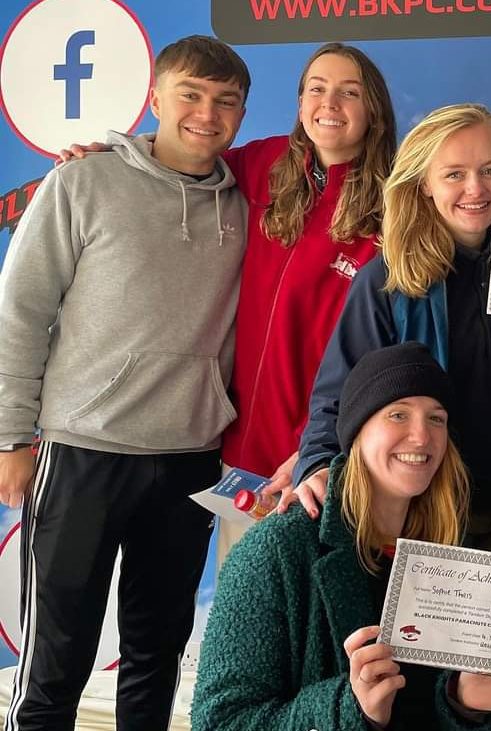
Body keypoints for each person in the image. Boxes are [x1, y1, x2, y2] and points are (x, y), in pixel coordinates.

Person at [292, 103, 491, 730]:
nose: (477, 189)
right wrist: (313, 461)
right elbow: (340, 391)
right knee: (424, 692)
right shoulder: (387, 279)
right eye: (455, 174)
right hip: (416, 515)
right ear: (422, 183)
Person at [57, 43, 397, 566]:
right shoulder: (262, 164)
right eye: (316, 89)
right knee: (248, 622)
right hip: (242, 462)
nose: (330, 103)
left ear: (372, 107)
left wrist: (326, 448)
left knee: (327, 628)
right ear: (300, 101)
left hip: (332, 461)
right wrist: (115, 158)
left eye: (349, 92)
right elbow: (179, 160)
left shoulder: (396, 204)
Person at [0, 36, 250, 731]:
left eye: (227, 101)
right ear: (155, 99)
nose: (208, 113)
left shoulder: (247, 201)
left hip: (190, 461)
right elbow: (20, 311)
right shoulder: (84, 181)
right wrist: (10, 437)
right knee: (57, 657)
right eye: (192, 95)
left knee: (156, 652)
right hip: (84, 451)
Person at [191, 342, 491, 730]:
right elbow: (219, 721)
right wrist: (351, 709)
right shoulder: (276, 550)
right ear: (356, 432)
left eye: (436, 419)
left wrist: (463, 703)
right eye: (398, 415)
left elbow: (425, 710)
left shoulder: (458, 558)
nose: (421, 436)